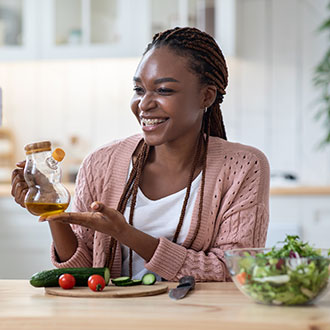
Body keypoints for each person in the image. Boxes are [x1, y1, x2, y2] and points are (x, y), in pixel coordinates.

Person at [11, 27, 270, 282]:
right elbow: (85, 271)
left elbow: (234, 271)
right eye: (139, 90)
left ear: (206, 96)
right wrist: (51, 208)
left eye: (164, 90)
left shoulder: (243, 166)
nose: (144, 104)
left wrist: (127, 234)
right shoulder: (100, 163)